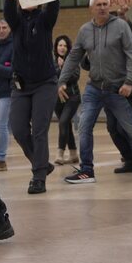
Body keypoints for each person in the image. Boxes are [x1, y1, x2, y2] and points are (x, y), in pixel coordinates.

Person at [59, 0, 132, 184]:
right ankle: (87, 170)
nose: (102, 7)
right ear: (91, 8)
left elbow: (131, 55)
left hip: (117, 89)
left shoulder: (121, 26)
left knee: (131, 129)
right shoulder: (84, 30)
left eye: (105, 4)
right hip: (93, 89)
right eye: (98, 5)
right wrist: (62, 80)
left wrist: (129, 82)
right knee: (84, 127)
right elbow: (74, 57)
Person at [4, 0, 59, 195]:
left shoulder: (45, 21)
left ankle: (38, 177)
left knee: (39, 130)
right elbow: (8, 12)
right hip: (21, 86)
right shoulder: (16, 23)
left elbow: (54, 7)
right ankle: (42, 164)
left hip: (45, 83)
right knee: (18, 129)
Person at [53, 35, 80, 165]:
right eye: (60, 45)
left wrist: (64, 67)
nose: (62, 48)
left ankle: (60, 152)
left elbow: (75, 77)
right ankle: (74, 154)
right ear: (56, 47)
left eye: (64, 45)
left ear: (68, 48)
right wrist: (58, 68)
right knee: (66, 125)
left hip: (72, 97)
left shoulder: (72, 60)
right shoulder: (51, 61)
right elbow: (51, 78)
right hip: (57, 99)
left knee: (63, 122)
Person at [0, 19, 13, 172]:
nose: (1, 30)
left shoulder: (14, 46)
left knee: (1, 124)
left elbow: (12, 72)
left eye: (4, 27)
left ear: (9, 29)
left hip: (6, 93)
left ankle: (1, 160)